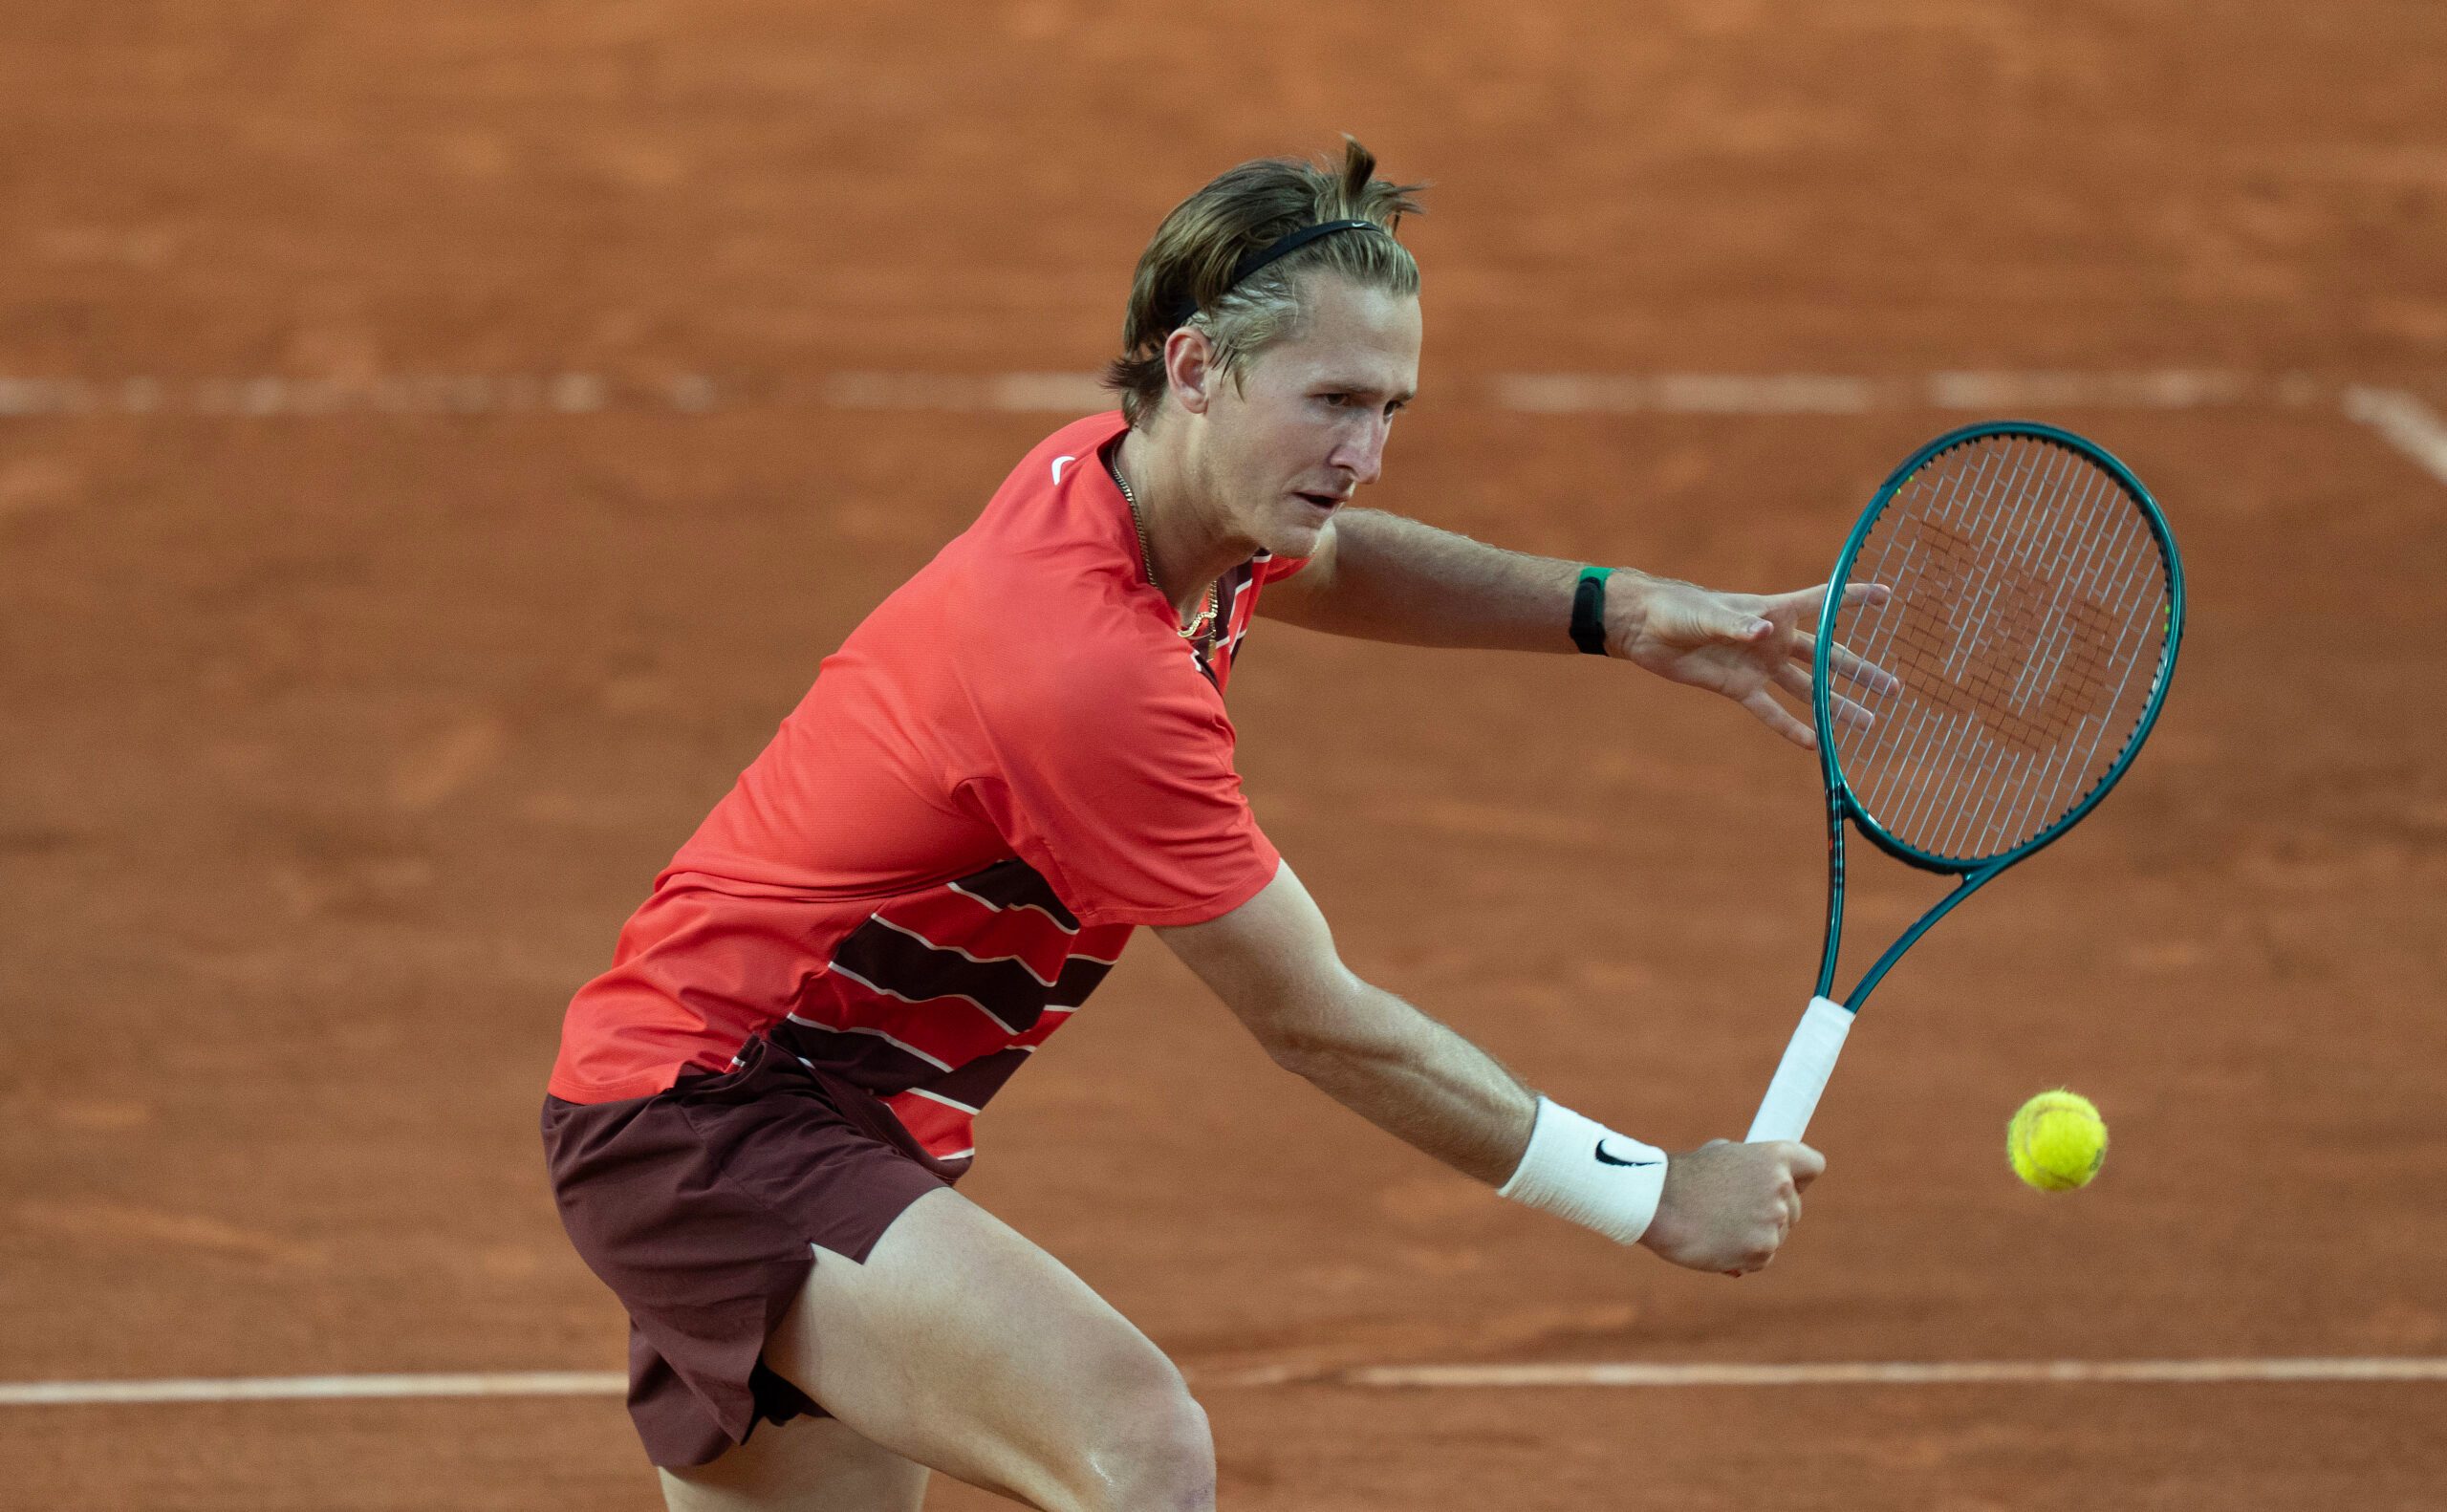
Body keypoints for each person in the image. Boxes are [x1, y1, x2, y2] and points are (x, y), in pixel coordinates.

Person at [543, 137, 1882, 1512]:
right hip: (711, 1110)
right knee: (1141, 1449)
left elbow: (1329, 560)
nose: (1366, 455)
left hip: (831, 1110)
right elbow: (1321, 1023)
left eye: (1391, 407)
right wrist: (1652, 1194)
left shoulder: (1126, 488)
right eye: (1333, 401)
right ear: (1193, 369)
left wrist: (1618, 610)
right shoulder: (1087, 671)